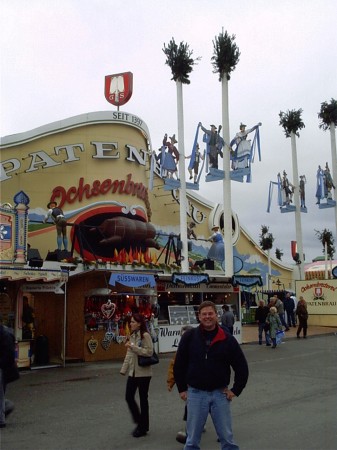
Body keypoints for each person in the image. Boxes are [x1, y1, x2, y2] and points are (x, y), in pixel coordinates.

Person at [173, 301, 249, 450]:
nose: (207, 317)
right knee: (192, 441)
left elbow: (241, 366)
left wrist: (235, 390)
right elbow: (179, 365)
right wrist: (182, 388)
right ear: (199, 317)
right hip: (195, 394)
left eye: (210, 313)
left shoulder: (227, 338)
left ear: (216, 315)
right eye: (204, 314)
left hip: (220, 394)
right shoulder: (189, 337)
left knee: (227, 440)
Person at [120, 313, 154, 438]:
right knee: (129, 397)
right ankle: (140, 421)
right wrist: (124, 369)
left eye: (133, 322)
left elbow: (149, 352)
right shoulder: (132, 335)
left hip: (144, 373)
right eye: (131, 322)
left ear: (139, 323)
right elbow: (129, 354)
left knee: (143, 399)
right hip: (133, 372)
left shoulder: (145, 335)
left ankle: (143, 426)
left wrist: (134, 347)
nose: (131, 323)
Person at [167, 325, 194, 445]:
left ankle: (189, 434)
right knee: (192, 406)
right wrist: (171, 382)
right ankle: (191, 431)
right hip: (187, 383)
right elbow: (174, 367)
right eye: (182, 336)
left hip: (198, 383)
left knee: (197, 406)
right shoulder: (180, 351)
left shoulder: (198, 348)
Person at [0, 324, 19, 428]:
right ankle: (6, 407)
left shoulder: (5, 334)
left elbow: (9, 356)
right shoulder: (5, 333)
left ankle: (1, 418)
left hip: (2, 369)